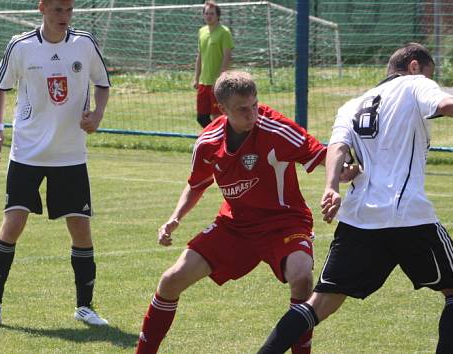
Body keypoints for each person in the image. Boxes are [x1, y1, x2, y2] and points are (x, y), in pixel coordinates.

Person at [258, 43, 453, 354]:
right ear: (415, 66)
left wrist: (331, 186)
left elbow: (336, 148)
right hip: (408, 216)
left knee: (320, 303)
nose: (432, 81)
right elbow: (449, 104)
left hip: (359, 218)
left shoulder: (352, 104)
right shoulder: (416, 83)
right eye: (431, 75)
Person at [135, 71, 329, 354]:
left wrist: (344, 172)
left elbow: (321, 153)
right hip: (235, 226)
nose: (252, 114)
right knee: (171, 280)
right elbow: (197, 185)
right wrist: (175, 218)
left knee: (301, 277)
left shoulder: (275, 127)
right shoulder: (208, 143)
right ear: (222, 109)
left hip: (284, 222)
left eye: (254, 105)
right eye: (242, 109)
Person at [0, 0, 110, 327]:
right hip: (27, 152)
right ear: (42, 8)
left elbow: (103, 84)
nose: (63, 17)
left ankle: (85, 306)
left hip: (70, 155)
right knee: (14, 221)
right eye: (57, 10)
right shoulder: (21, 46)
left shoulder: (84, 43)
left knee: (80, 228)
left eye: (68, 10)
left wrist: (96, 114)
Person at [192, 1, 234, 128]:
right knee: (201, 117)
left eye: (211, 13)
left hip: (217, 83)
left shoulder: (224, 32)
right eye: (206, 13)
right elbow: (200, 56)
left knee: (218, 117)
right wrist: (196, 78)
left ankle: (223, 142)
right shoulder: (201, 31)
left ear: (218, 15)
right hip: (204, 83)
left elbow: (227, 56)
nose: (208, 16)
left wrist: (221, 77)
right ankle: (216, 138)